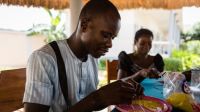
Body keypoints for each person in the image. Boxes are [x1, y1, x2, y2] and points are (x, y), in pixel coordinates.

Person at [23, 0, 146, 112]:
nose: (110, 44)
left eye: (112, 37)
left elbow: (91, 101)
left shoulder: (92, 58)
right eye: (105, 35)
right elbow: (94, 100)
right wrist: (98, 98)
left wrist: (122, 88)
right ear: (84, 26)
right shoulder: (44, 59)